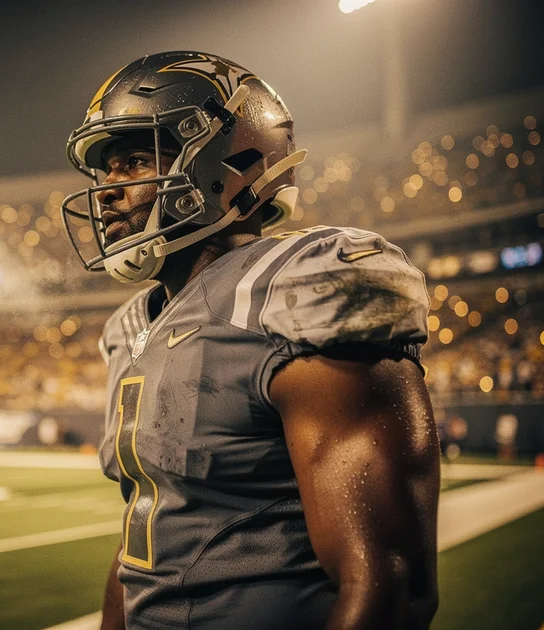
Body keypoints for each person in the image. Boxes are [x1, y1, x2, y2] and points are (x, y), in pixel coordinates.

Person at [61, 51, 440, 630]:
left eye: (135, 161)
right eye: (105, 170)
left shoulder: (302, 288)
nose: (109, 190)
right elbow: (144, 549)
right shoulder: (132, 328)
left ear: (226, 162)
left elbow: (389, 585)